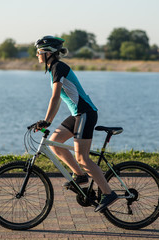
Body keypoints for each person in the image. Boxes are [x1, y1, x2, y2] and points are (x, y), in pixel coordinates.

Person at [34, 36, 118, 212]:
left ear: (48, 53)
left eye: (39, 52)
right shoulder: (53, 68)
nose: (37, 54)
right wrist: (47, 122)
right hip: (77, 114)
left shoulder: (58, 67)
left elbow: (55, 97)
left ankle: (108, 193)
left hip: (86, 113)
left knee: (83, 157)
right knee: (56, 143)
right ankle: (80, 176)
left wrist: (46, 121)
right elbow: (58, 100)